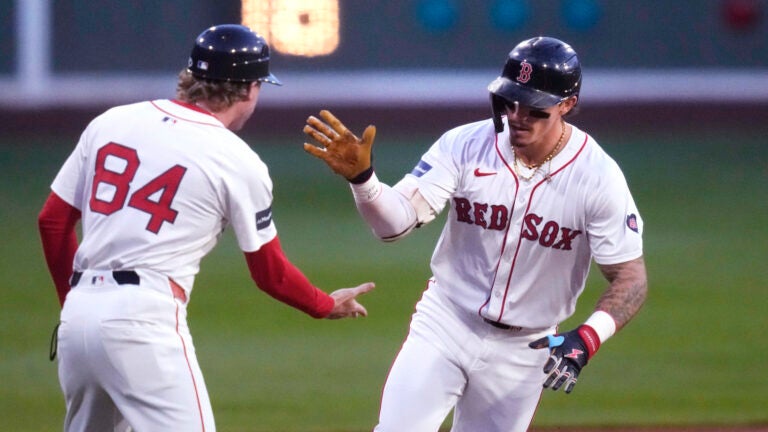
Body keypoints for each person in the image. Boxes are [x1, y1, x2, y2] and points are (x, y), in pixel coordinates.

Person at [37, 24, 374, 431]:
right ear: (249, 89)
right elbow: (270, 273)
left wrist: (74, 304)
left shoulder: (112, 121)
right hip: (144, 319)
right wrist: (324, 303)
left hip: (78, 319)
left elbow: (53, 221)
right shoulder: (237, 159)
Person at [303, 36, 647, 431]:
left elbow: (631, 276)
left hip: (525, 348)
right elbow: (393, 226)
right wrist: (364, 181)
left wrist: (588, 338)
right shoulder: (464, 145)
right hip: (445, 323)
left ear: (567, 105)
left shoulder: (597, 177)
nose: (517, 115)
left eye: (534, 108)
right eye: (509, 101)